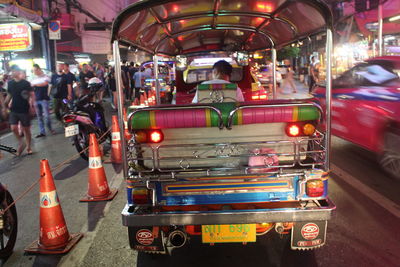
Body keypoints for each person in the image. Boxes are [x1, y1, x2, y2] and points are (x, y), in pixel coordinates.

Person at [2, 65, 35, 155]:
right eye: (11, 71)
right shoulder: (10, 83)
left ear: (18, 71)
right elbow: (9, 95)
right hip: (13, 109)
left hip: (24, 109)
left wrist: (32, 106)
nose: (12, 73)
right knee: (13, 128)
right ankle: (21, 142)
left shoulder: (25, 83)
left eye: (14, 71)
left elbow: (31, 95)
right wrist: (4, 107)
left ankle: (28, 147)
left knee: (26, 129)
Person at [31, 64, 55, 137]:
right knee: (39, 117)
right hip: (36, 99)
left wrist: (35, 84)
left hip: (44, 99)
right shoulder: (33, 78)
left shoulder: (46, 76)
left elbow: (44, 84)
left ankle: (50, 129)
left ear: (39, 69)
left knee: (47, 116)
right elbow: (31, 88)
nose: (34, 72)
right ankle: (42, 132)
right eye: (33, 70)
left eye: (35, 70)